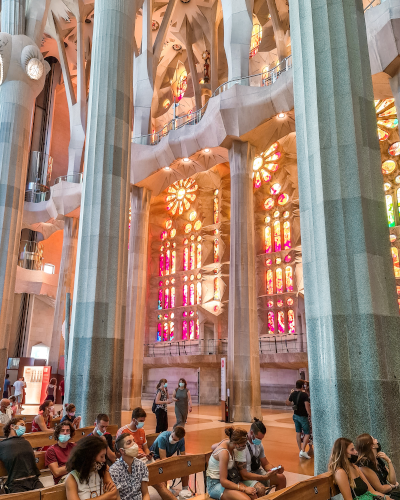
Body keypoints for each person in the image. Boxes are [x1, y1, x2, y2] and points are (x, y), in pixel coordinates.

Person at [234, 418, 286, 496]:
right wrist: (263, 477)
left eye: (261, 439)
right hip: (245, 476)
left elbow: (265, 464)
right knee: (260, 489)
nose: (260, 441)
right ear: (251, 433)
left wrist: (274, 470)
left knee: (281, 478)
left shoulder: (259, 444)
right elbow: (244, 475)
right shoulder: (242, 446)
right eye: (258, 438)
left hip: (256, 472)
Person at [207, 427, 257, 500]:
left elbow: (213, 447)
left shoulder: (228, 442)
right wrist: (243, 489)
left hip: (229, 479)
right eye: (243, 445)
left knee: (253, 495)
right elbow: (223, 481)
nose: (244, 448)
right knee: (246, 499)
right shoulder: (224, 453)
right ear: (236, 444)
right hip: (215, 484)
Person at [65, 435, 117, 500]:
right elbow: (109, 495)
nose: (104, 460)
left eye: (104, 456)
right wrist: (106, 496)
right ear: (90, 456)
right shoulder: (72, 478)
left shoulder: (103, 470)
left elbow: (114, 495)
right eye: (101, 456)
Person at [0, 417, 44, 493]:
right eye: (21, 425)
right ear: (12, 426)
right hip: (16, 483)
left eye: (24, 426)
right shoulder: (2, 445)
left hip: (33, 480)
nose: (23, 428)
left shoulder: (25, 442)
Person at [149, 427, 191, 500]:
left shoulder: (181, 440)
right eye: (172, 437)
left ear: (179, 439)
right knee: (163, 467)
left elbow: (183, 456)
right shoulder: (163, 438)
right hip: (155, 456)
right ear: (172, 431)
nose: (172, 439)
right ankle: (165, 492)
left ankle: (185, 491)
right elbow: (163, 459)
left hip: (167, 457)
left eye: (175, 440)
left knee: (185, 466)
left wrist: (181, 464)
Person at [356, 434, 400, 498]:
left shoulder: (377, 459)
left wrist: (389, 461)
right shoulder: (364, 464)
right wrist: (394, 486)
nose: (376, 440)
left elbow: (392, 481)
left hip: (388, 493)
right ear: (371, 445)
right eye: (374, 439)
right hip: (378, 497)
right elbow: (381, 489)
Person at [109, 433, 150, 500]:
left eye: (133, 441)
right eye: (129, 442)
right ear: (122, 451)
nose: (134, 444)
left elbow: (145, 493)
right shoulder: (114, 470)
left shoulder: (141, 465)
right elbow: (117, 497)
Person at [285, 380, 311, 459]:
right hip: (303, 416)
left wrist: (290, 394)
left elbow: (287, 403)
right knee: (307, 433)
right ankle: (303, 450)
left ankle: (300, 450)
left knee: (298, 433)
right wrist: (310, 415)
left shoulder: (293, 394)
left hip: (295, 415)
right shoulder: (304, 395)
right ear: (302, 386)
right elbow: (307, 407)